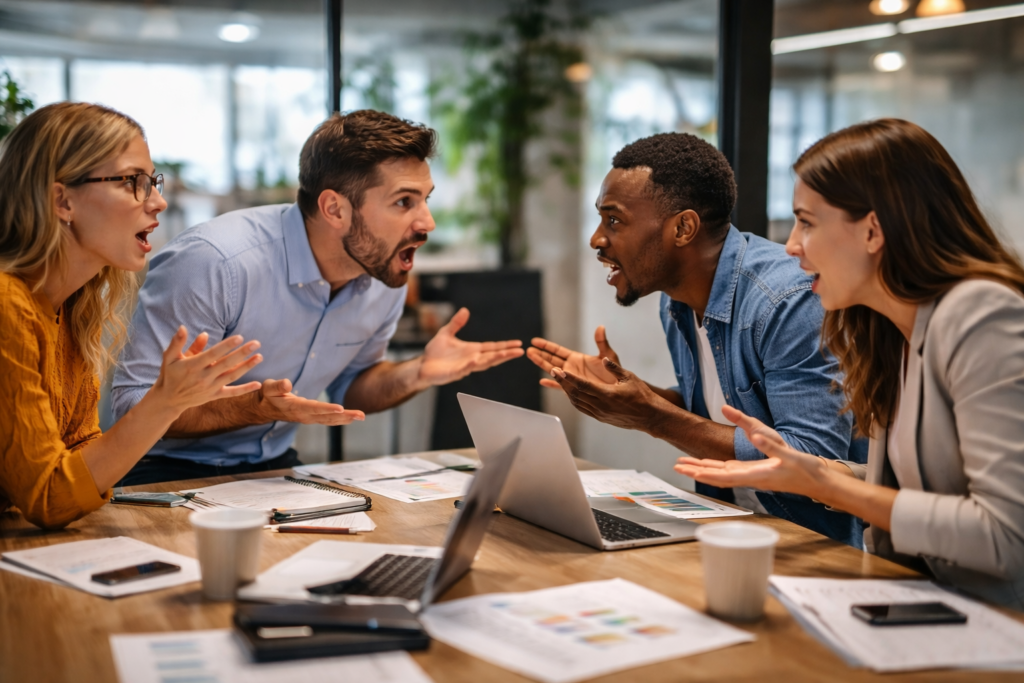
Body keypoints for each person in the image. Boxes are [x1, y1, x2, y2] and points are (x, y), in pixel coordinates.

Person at [676, 119, 1024, 610]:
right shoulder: (886, 331)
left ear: (873, 230)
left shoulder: (981, 314)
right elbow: (908, 490)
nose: (792, 244)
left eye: (807, 222)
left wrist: (824, 486)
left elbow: (1005, 536)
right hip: (916, 606)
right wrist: (808, 471)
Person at [112, 110, 524, 485]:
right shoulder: (216, 262)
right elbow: (133, 405)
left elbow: (354, 386)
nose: (427, 222)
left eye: (425, 199)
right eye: (404, 202)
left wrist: (417, 373)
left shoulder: (381, 271)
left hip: (275, 470)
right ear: (334, 209)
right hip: (158, 473)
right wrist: (256, 407)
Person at [527, 132, 867, 546]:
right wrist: (630, 393)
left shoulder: (787, 301)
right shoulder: (676, 302)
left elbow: (812, 461)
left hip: (808, 547)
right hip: (724, 528)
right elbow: (715, 411)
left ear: (684, 228)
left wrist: (651, 415)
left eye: (613, 220)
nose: (597, 238)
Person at [0, 102, 263, 529]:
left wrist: (171, 400)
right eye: (132, 182)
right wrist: (166, 402)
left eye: (152, 182)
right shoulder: (7, 304)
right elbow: (49, 498)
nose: (157, 202)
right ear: (62, 200)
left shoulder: (71, 309)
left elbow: (80, 452)